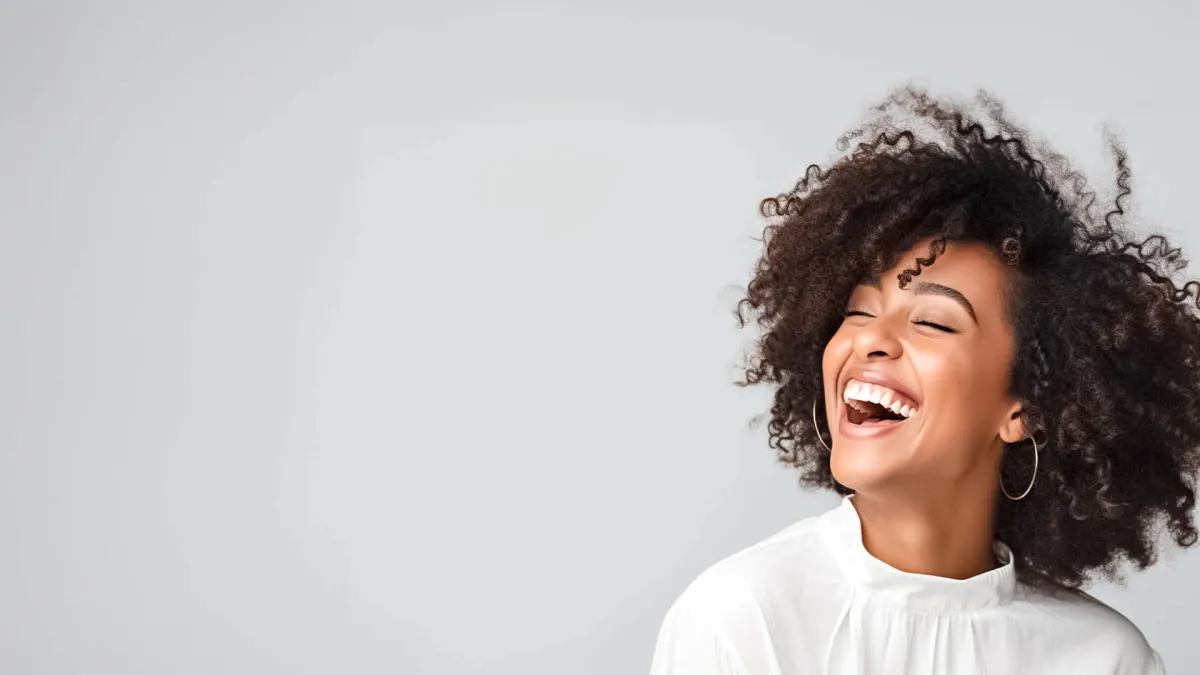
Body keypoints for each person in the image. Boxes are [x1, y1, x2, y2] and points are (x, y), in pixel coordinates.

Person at [648, 84, 1200, 675]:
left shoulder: (1104, 657)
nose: (871, 338)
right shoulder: (743, 617)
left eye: (934, 321)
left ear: (1026, 407)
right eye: (859, 310)